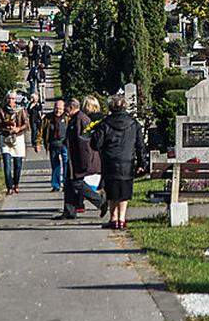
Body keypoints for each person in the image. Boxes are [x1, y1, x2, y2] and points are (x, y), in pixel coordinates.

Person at [89, 94, 147, 230]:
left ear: (110, 107)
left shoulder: (105, 123)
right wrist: (142, 163)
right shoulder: (134, 124)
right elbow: (140, 145)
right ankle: (122, 219)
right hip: (127, 161)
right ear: (125, 106)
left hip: (110, 161)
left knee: (111, 191)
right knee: (124, 191)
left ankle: (113, 218)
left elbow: (95, 144)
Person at [58, 98, 108, 220]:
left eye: (66, 108)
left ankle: (100, 201)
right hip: (73, 158)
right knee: (69, 183)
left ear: (71, 107)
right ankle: (69, 211)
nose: (64, 111)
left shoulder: (81, 119)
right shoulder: (75, 119)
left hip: (81, 159)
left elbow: (85, 143)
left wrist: (85, 162)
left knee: (76, 183)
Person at [0, 90, 29, 194]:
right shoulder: (1, 110)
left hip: (18, 138)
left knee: (18, 164)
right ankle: (9, 186)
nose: (11, 100)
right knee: (6, 164)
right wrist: (7, 127)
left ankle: (16, 183)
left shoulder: (21, 110)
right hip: (6, 138)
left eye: (13, 98)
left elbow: (26, 124)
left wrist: (18, 129)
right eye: (9, 98)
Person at [36, 99, 69, 191]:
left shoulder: (67, 117)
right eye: (56, 108)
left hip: (64, 144)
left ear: (64, 108)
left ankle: (66, 185)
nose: (58, 111)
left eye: (60, 109)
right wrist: (38, 143)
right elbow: (41, 131)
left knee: (66, 164)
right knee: (55, 165)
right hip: (53, 143)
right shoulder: (47, 118)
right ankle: (56, 185)